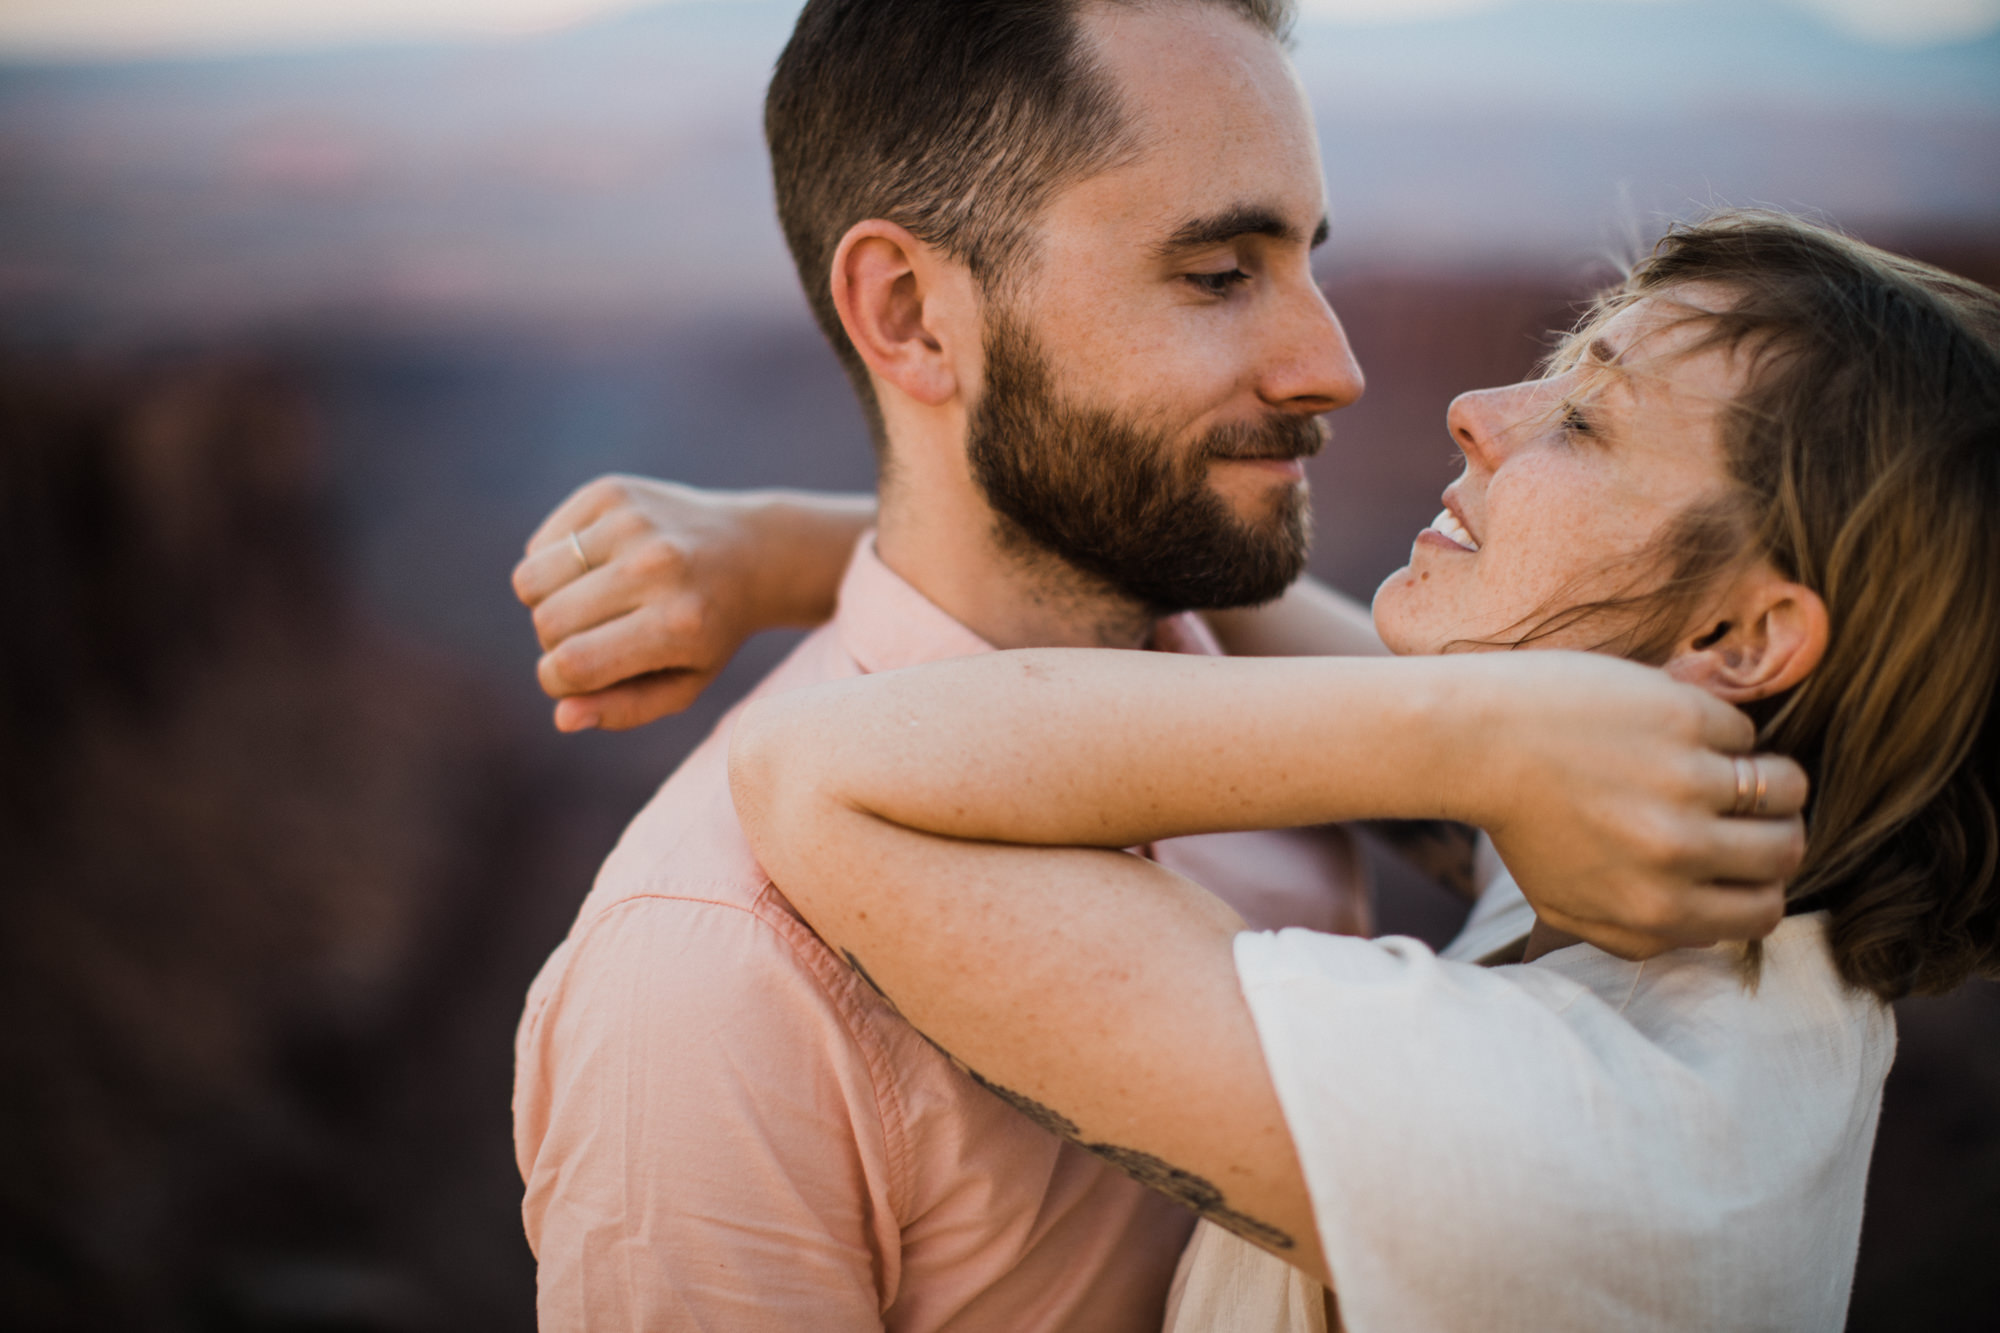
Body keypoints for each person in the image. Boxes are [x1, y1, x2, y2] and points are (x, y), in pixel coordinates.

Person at [508, 2, 1807, 1327]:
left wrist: (781, 544)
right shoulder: (708, 983)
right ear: (908, 314)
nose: (1335, 367)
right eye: (1220, 272)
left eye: (1307, 260)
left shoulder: (1296, 740)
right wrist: (782, 550)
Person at [704, 213, 1997, 1330]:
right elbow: (1251, 602)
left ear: (1736, 638)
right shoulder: (1704, 922)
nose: (1477, 412)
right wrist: (778, 550)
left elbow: (813, 769)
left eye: (1589, 419)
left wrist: (1479, 735)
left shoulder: (1577, 1138)